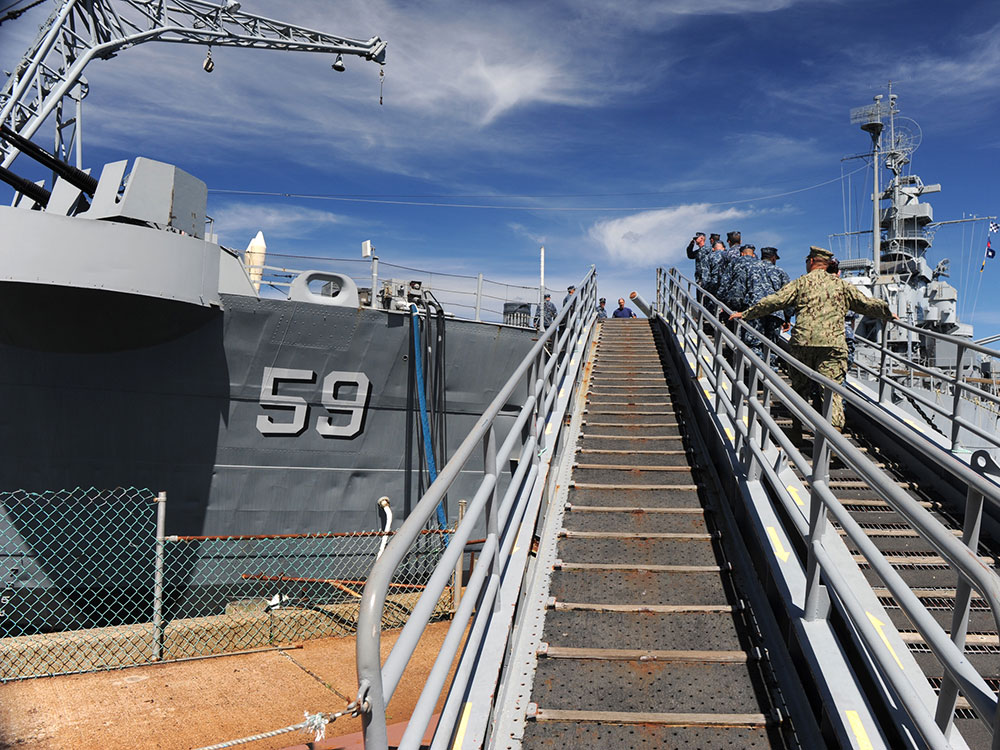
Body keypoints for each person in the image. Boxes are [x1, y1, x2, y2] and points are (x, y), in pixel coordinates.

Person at [729, 246, 897, 437]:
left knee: (799, 388)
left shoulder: (801, 283)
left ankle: (796, 431)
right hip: (832, 345)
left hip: (803, 344)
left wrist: (746, 314)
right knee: (832, 391)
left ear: (811, 262)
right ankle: (833, 438)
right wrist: (887, 313)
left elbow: (774, 301)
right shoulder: (841, 285)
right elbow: (865, 304)